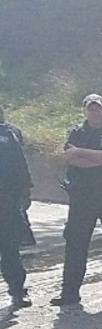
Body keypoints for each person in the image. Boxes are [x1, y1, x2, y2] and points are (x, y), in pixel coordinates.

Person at [54, 94, 102, 308]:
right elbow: (71, 158)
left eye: (98, 108)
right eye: (91, 108)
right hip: (82, 197)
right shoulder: (76, 133)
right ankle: (69, 294)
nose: (95, 112)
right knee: (75, 245)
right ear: (85, 111)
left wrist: (84, 154)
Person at [0, 103, 32, 310]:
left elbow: (20, 164)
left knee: (9, 248)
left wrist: (26, 191)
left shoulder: (10, 134)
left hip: (7, 201)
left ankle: (17, 291)